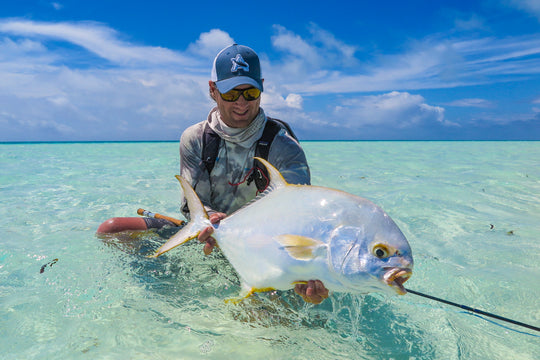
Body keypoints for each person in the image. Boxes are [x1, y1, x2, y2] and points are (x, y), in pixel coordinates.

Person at [97, 44, 328, 304]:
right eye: (230, 93)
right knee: (111, 230)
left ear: (262, 88)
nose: (241, 103)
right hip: (209, 234)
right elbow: (193, 206)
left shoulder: (284, 146)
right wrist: (209, 218)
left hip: (260, 246)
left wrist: (303, 273)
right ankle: (153, 295)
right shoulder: (194, 138)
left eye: (250, 92)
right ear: (213, 90)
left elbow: (298, 219)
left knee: (260, 314)